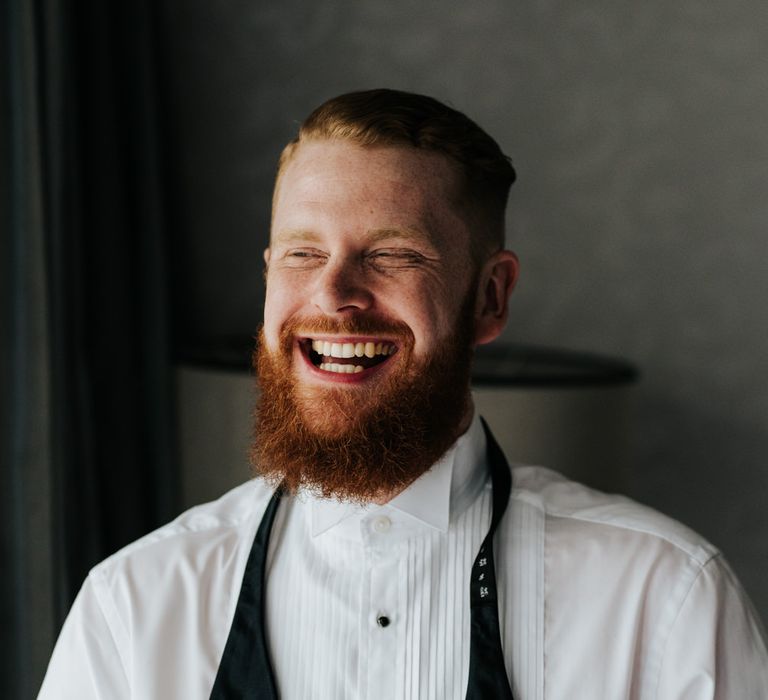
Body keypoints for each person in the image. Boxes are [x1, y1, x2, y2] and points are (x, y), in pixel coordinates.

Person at [39, 89, 768, 699]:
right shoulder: (136, 605)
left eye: (391, 254)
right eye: (303, 252)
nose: (333, 293)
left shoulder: (660, 598)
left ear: (489, 296)